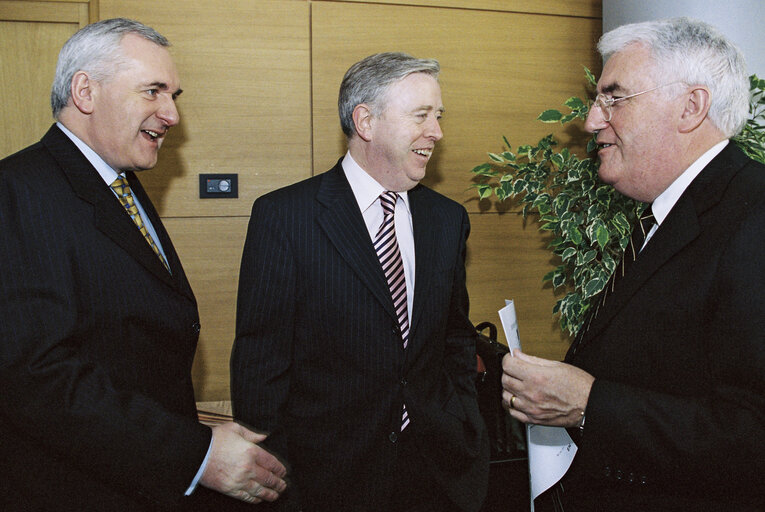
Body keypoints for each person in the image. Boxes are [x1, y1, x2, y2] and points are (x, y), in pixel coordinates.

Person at [0, 18, 287, 511]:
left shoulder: (120, 183)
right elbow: (37, 376)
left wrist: (197, 431)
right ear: (85, 92)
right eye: (153, 91)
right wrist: (194, 455)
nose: (171, 114)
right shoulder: (18, 191)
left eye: (173, 95)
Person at [501, 17, 765, 511]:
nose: (591, 121)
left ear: (691, 107)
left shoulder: (754, 217)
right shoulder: (667, 215)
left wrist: (587, 406)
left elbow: (753, 435)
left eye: (614, 97)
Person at [231, 52, 489, 512]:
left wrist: (463, 423)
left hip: (433, 469)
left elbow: (453, 335)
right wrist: (277, 471)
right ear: (365, 121)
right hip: (325, 478)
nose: (437, 131)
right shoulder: (285, 217)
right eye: (421, 115)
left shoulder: (448, 219)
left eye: (439, 116)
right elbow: (260, 362)